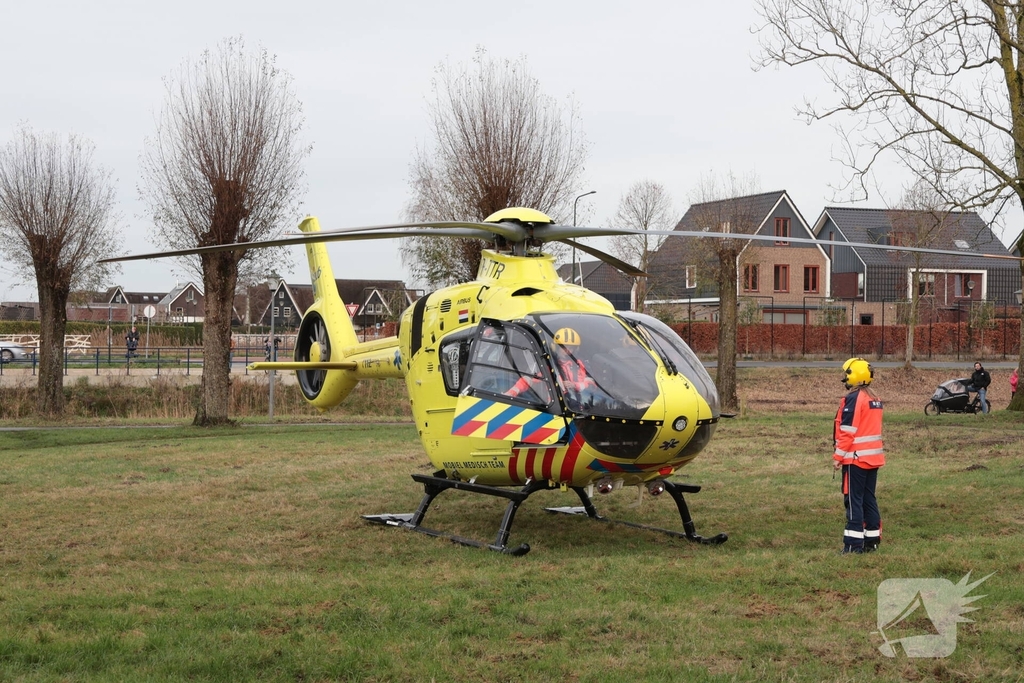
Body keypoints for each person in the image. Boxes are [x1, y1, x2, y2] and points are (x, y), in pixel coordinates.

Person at [833, 357, 885, 554]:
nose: (844, 379)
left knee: (853, 501)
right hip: (872, 459)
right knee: (868, 499)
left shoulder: (854, 399)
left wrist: (838, 457)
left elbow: (847, 431)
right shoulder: (874, 398)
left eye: (846, 375)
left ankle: (853, 546)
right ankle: (871, 541)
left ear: (854, 376)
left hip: (856, 459)